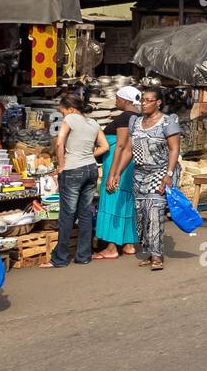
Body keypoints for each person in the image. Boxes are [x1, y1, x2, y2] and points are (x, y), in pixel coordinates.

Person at [108, 86, 180, 271]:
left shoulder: (168, 122)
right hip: (140, 173)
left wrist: (169, 175)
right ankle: (149, 250)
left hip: (161, 171)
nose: (144, 104)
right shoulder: (135, 122)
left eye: (149, 100)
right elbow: (128, 150)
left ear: (158, 103)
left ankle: (157, 255)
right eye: (142, 100)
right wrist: (117, 173)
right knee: (142, 214)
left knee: (155, 212)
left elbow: (174, 149)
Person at [42, 94, 109, 268]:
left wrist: (62, 165)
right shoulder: (93, 123)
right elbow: (104, 146)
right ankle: (83, 256)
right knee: (85, 214)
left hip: (73, 171)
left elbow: (59, 143)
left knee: (67, 215)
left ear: (71, 109)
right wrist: (87, 155)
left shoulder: (71, 118)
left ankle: (60, 258)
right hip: (91, 169)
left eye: (62, 111)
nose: (63, 115)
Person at [93, 86, 140, 260]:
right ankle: (128, 244)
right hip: (129, 165)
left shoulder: (125, 117)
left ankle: (111, 247)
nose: (116, 101)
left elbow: (121, 145)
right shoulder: (139, 117)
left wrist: (113, 173)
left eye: (118, 98)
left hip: (117, 163)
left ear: (125, 100)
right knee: (126, 201)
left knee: (112, 198)